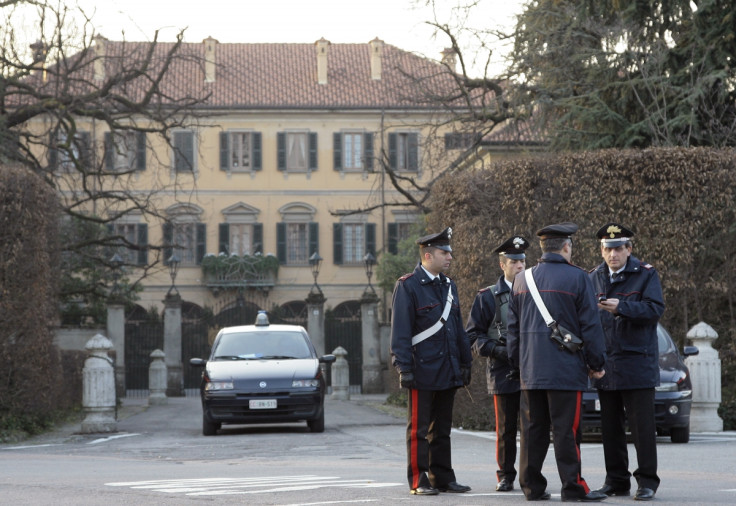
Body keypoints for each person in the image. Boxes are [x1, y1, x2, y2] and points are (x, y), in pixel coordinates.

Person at [506, 222, 608, 502]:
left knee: (532, 431)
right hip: (565, 369)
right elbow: (590, 326)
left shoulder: (521, 279)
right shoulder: (578, 278)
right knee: (566, 431)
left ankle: (532, 487)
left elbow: (512, 332)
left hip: (530, 370)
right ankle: (573, 487)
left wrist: (517, 366)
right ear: (566, 246)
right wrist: (596, 363)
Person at [390, 226, 473, 496]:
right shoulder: (408, 286)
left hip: (447, 367)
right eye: (443, 252)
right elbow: (401, 332)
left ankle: (443, 477)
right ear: (427, 255)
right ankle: (418, 479)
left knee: (443, 429)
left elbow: (458, 329)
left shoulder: (449, 286)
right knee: (419, 429)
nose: (449, 257)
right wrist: (404, 367)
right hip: (422, 369)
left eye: (448, 252)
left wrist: (464, 361)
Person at [589, 223, 665, 502]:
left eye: (618, 248)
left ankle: (646, 481)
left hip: (637, 363)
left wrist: (622, 307)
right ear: (601, 250)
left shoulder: (645, 274)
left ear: (629, 249)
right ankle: (616, 480)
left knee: (642, 428)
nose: (612, 255)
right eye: (607, 249)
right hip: (606, 364)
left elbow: (654, 310)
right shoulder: (593, 277)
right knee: (610, 428)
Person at [465, 235, 529, 492]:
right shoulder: (487, 297)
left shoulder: (534, 292)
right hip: (502, 370)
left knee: (531, 427)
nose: (520, 266)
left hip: (530, 369)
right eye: (514, 262)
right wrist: (497, 350)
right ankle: (505, 475)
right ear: (502, 265)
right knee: (505, 429)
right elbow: (472, 335)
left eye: (522, 260)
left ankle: (528, 474)